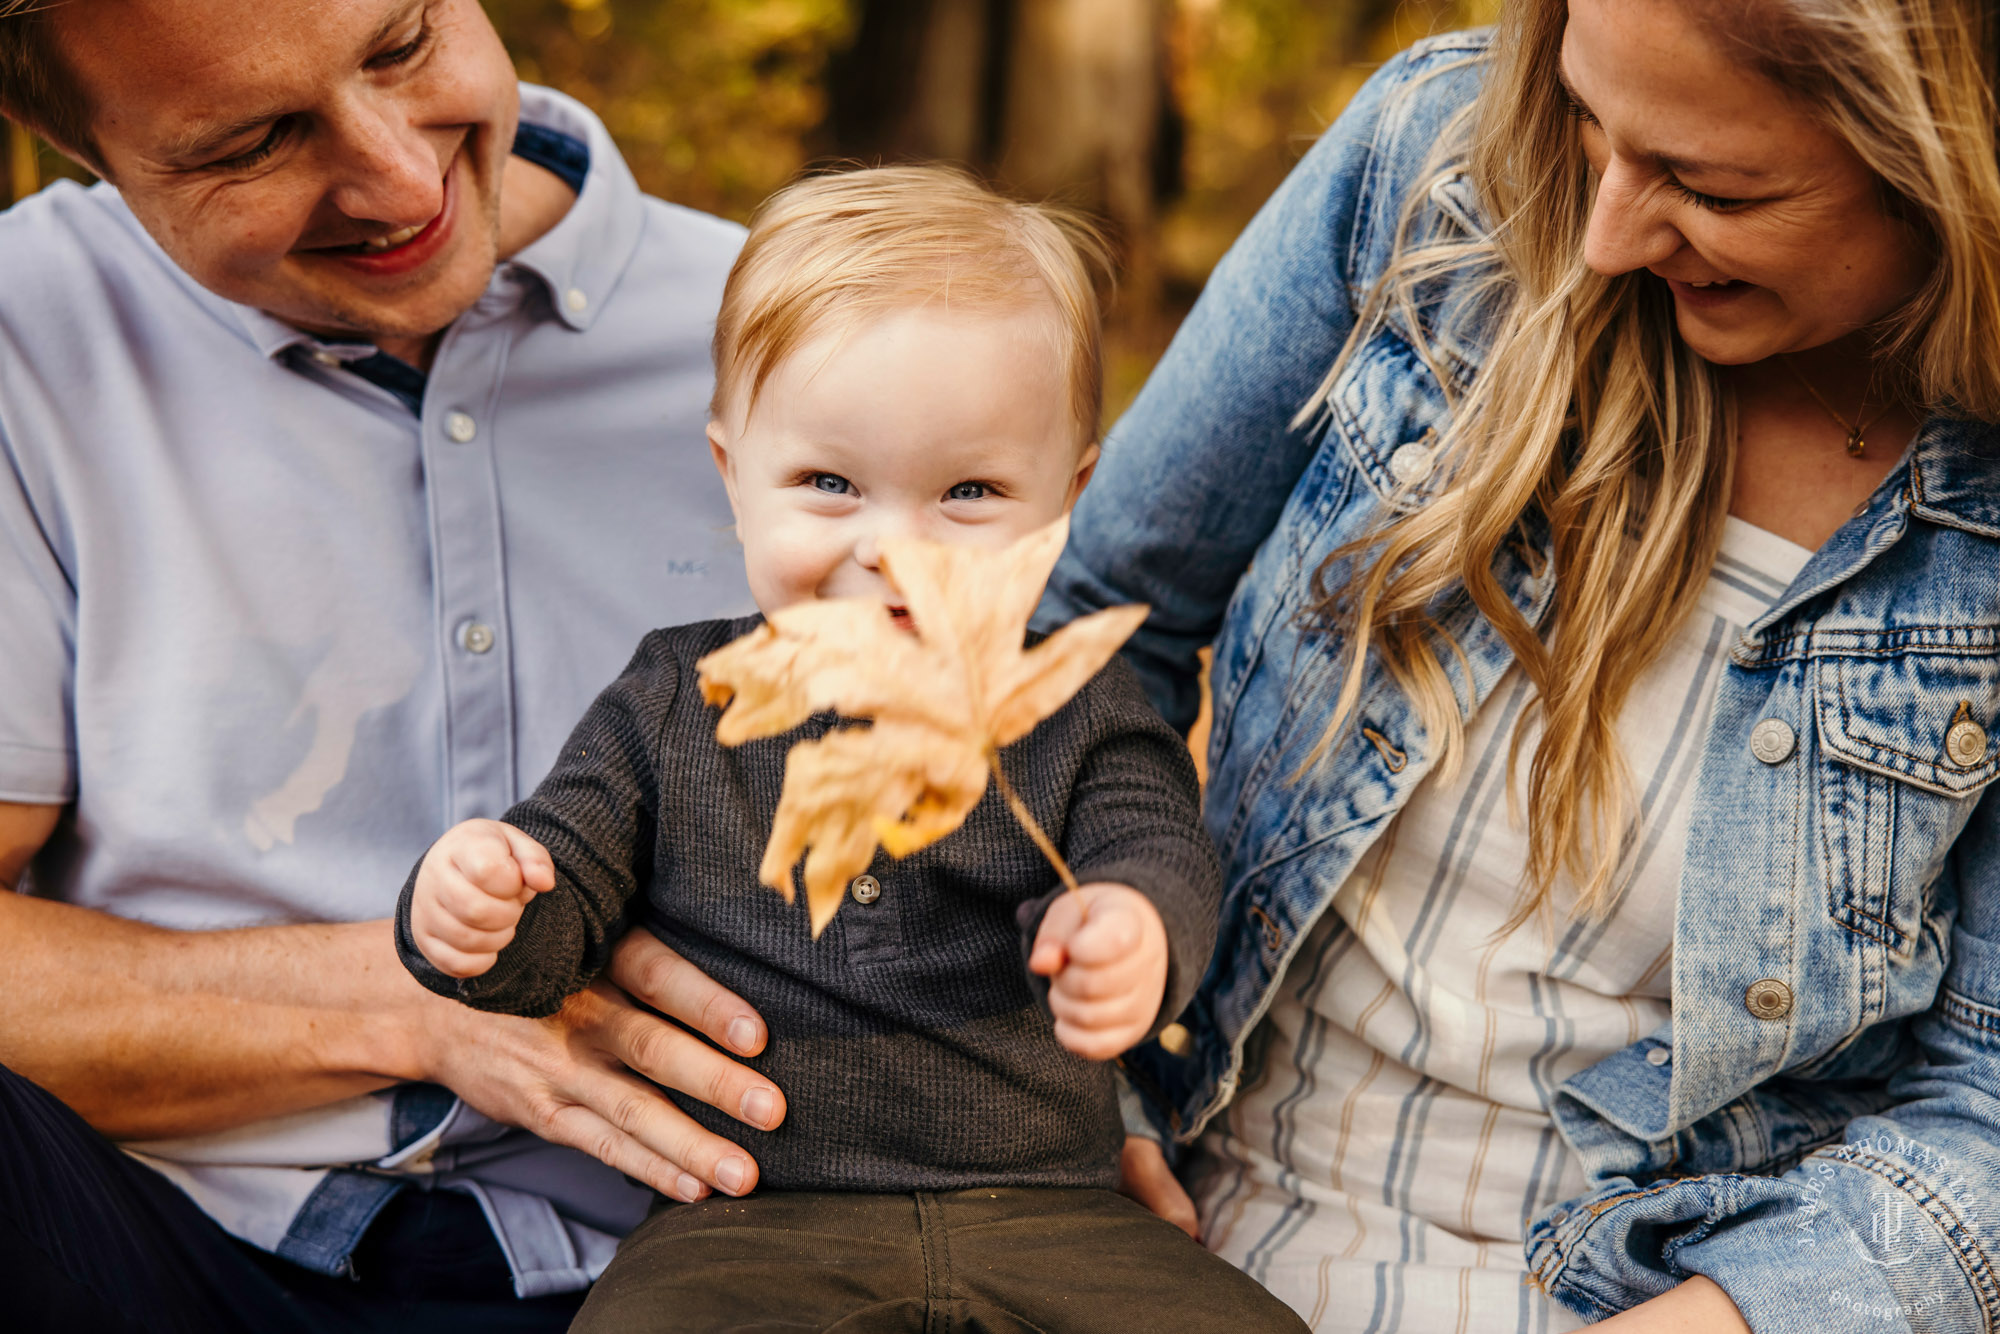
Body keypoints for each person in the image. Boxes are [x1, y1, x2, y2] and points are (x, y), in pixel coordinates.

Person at [1039, 1, 2000, 1331]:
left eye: (1709, 185)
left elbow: (1984, 1105)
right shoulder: (1436, 162)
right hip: (1181, 1229)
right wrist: (1090, 1092)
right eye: (1584, 119)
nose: (1604, 234)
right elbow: (1094, 626)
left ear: (1951, 159)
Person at [393, 164, 1310, 1333]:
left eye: (968, 491)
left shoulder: (1074, 702)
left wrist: (1131, 926)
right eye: (828, 483)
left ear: (1064, 497)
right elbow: (561, 892)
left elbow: (1155, 842)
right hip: (747, 1220)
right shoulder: (677, 699)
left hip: (1055, 1211)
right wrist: (482, 910)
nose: (890, 545)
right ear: (732, 477)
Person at [0, 0, 803, 1328]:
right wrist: (422, 1004)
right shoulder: (26, 336)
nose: (398, 176)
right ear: (69, 136)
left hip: (700, 1265)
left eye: (401, 46)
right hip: (165, 1239)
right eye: (255, 140)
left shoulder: (802, 337)